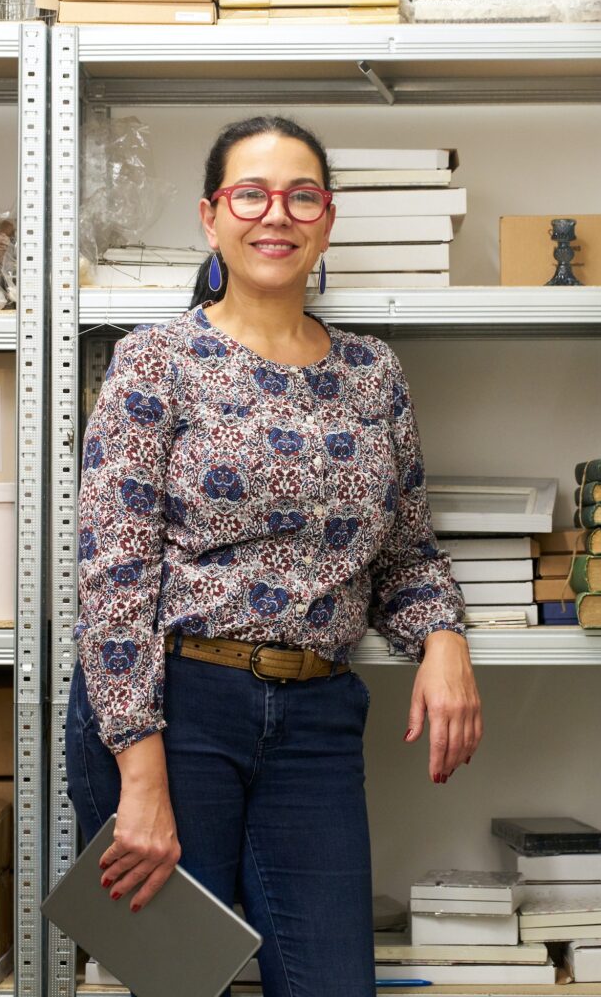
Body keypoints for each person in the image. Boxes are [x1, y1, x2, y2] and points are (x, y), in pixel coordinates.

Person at [65, 115, 483, 997]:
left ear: (327, 219)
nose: (276, 214)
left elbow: (406, 550)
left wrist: (443, 639)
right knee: (184, 986)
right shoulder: (156, 361)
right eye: (250, 194)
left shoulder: (373, 373)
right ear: (211, 217)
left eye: (302, 195)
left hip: (315, 719)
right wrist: (139, 775)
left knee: (332, 984)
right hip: (174, 714)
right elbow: (113, 574)